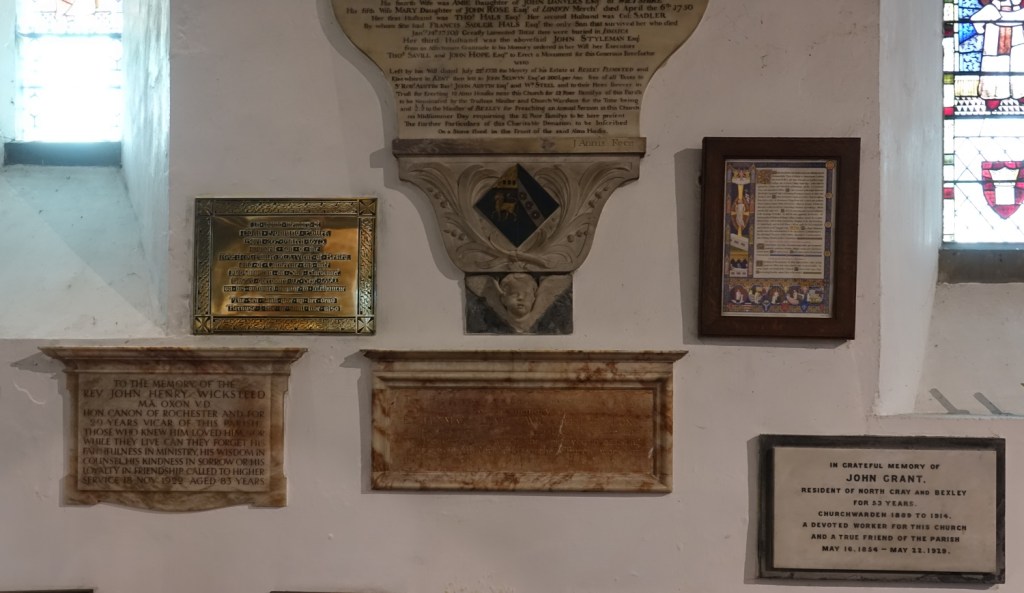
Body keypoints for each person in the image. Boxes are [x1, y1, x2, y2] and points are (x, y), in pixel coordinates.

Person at [972, 0, 1024, 110]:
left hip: (1016, 30)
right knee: (993, 62)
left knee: (1018, 61)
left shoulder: (1019, 10)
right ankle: (993, 94)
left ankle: (1020, 92)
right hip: (994, 33)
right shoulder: (990, 10)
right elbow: (978, 24)